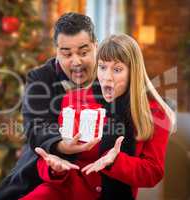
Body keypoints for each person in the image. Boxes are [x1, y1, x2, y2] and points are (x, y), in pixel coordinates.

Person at [20, 34, 176, 200]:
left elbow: (153, 173)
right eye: (102, 67)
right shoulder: (74, 100)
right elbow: (48, 156)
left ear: (133, 73)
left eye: (117, 69)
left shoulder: (155, 113)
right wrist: (54, 167)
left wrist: (115, 162)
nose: (106, 77)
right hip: (63, 192)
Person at [0, 13, 99, 200]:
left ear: (95, 47)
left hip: (93, 179)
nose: (76, 61)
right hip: (40, 174)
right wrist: (62, 145)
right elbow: (36, 126)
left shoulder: (109, 77)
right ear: (57, 52)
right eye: (67, 54)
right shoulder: (40, 78)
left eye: (83, 52)